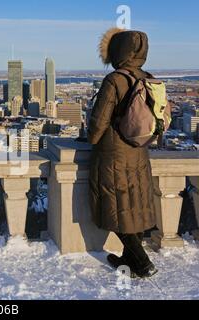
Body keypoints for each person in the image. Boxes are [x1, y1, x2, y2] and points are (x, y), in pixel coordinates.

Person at [87, 28, 159, 278]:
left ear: (116, 52)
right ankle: (129, 261)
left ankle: (143, 261)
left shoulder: (115, 80)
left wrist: (91, 138)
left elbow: (98, 124)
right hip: (138, 151)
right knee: (134, 206)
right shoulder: (146, 77)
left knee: (115, 206)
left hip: (113, 154)